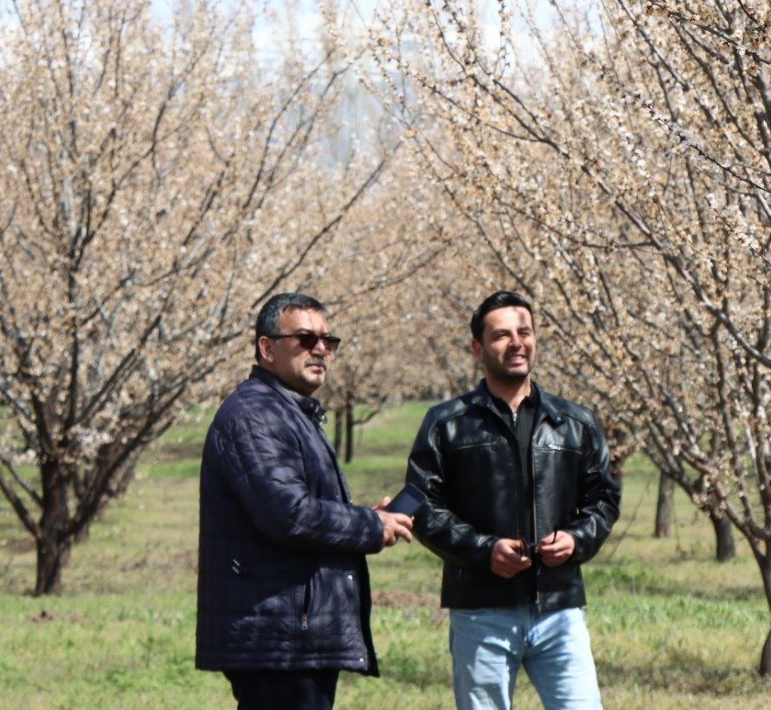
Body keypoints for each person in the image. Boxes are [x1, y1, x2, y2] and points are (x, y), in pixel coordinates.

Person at [196, 292, 416, 709]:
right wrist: (370, 527)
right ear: (267, 348)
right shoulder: (254, 415)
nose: (320, 349)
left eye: (327, 341)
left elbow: (296, 505)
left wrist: (366, 518)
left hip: (291, 634)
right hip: (277, 639)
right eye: (304, 338)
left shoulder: (288, 412)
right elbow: (289, 515)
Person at [405, 290, 621, 710]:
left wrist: (577, 540)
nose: (516, 343)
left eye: (524, 332)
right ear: (478, 349)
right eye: (501, 335)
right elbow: (422, 506)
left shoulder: (574, 423)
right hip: (480, 611)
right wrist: (485, 551)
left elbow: (604, 500)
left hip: (560, 609)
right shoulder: (447, 424)